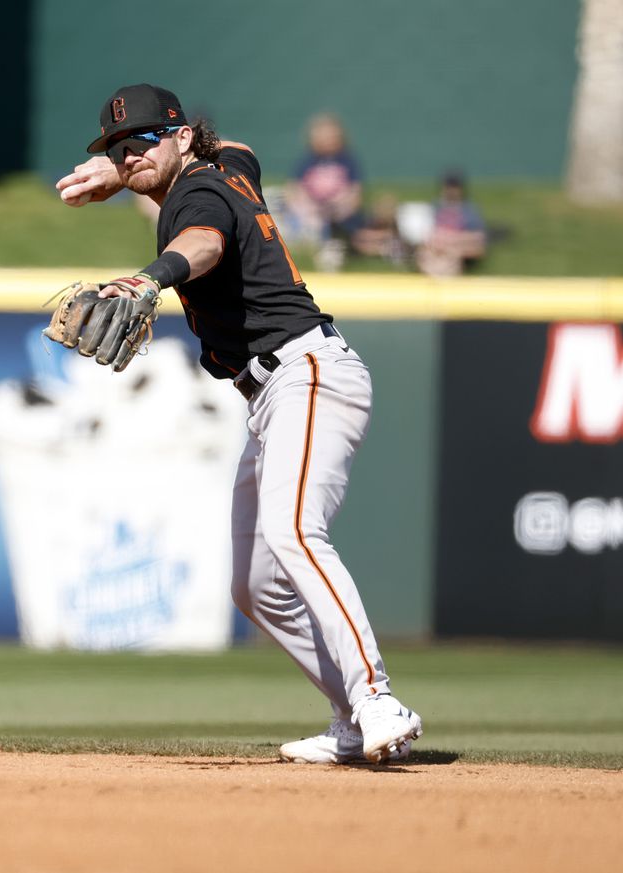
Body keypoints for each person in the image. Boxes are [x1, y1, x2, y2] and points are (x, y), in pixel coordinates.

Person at [55, 84, 423, 764]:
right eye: (115, 146)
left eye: (140, 141)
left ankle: (376, 696)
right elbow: (243, 149)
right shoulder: (228, 169)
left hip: (306, 374)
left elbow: (205, 243)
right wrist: (124, 166)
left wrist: (152, 277)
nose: (128, 155)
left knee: (292, 531)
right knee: (254, 584)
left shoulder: (194, 197)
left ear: (180, 138)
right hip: (276, 391)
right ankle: (351, 716)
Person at [281, 113, 365, 271]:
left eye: (331, 135)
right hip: (311, 213)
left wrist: (339, 205)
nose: (327, 140)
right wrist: (307, 207)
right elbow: (293, 189)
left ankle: (335, 248)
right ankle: (309, 246)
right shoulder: (307, 161)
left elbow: (355, 194)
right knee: (304, 219)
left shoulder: (348, 161)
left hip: (338, 213)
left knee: (343, 222)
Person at [415, 170, 489, 277]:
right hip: (434, 249)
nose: (451, 190)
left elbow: (478, 240)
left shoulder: (469, 210)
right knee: (426, 255)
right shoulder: (434, 207)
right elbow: (424, 232)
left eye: (455, 187)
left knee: (449, 258)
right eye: (448, 186)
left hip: (456, 250)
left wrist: (450, 241)